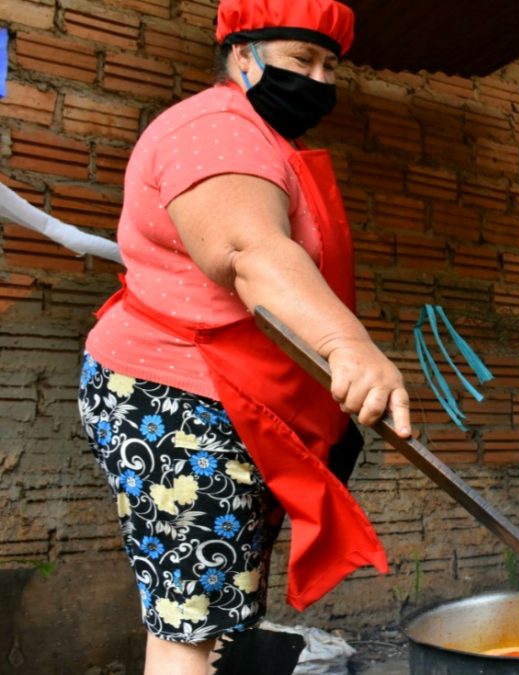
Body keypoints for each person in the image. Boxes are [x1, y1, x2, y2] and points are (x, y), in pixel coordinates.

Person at [77, 0, 411, 672]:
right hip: (177, 401)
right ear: (242, 52)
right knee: (191, 623)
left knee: (214, 614)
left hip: (227, 399)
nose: (317, 79)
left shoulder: (265, 139)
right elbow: (249, 249)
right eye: (300, 59)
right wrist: (347, 346)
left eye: (329, 66)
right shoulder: (215, 129)